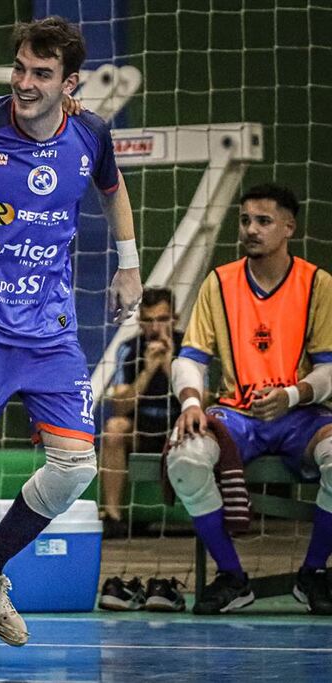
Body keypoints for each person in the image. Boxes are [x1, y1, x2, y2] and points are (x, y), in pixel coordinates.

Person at [0, 15, 143, 660]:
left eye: (42, 74)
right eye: (20, 69)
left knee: (75, 467)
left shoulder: (90, 130)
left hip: (50, 329)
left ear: (70, 84)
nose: (25, 83)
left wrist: (128, 265)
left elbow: (111, 188)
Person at [168, 183, 332, 615]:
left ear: (288, 227)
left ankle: (312, 573)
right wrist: (189, 404)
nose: (251, 230)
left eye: (263, 221)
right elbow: (190, 358)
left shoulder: (317, 284)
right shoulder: (219, 282)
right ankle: (232, 577)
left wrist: (293, 394)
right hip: (236, 414)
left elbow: (329, 368)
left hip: (301, 413)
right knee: (183, 458)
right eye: (245, 221)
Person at [100, 287, 183, 536]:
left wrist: (169, 366)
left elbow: (201, 404)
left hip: (179, 427)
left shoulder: (190, 345)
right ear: (140, 321)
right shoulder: (129, 349)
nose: (155, 327)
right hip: (142, 427)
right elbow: (119, 406)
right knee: (114, 428)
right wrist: (147, 370)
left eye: (162, 319)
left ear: (174, 319)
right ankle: (112, 518)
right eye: (148, 320)